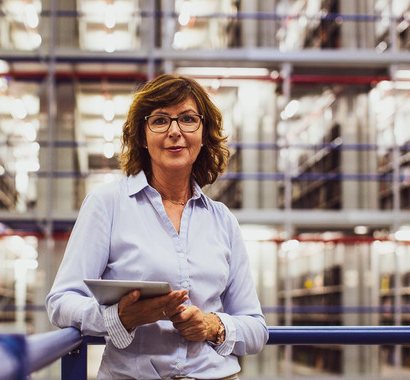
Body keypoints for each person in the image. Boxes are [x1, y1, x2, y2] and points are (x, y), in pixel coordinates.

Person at [45, 74, 268, 379]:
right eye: (160, 121)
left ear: (204, 134)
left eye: (188, 119)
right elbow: (61, 302)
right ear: (142, 136)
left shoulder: (223, 220)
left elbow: (256, 327)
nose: (175, 131)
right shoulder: (107, 204)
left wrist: (212, 325)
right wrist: (118, 317)